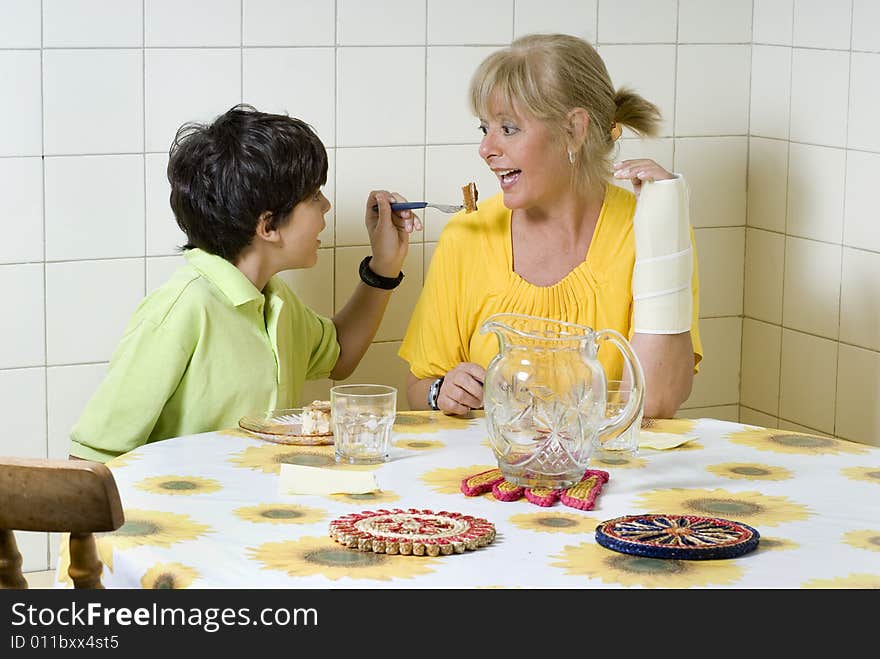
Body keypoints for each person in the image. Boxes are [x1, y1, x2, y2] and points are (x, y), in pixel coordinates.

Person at [69, 104, 419, 462]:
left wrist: (384, 266)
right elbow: (90, 459)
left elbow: (339, 355)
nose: (327, 205)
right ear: (267, 226)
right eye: (314, 196)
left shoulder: (274, 300)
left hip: (256, 510)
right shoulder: (184, 308)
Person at [400, 34, 702, 418]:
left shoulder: (645, 231)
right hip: (487, 473)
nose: (486, 149)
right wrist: (441, 392)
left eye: (508, 129)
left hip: (612, 473)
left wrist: (665, 224)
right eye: (484, 129)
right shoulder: (467, 234)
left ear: (573, 129)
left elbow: (654, 404)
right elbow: (418, 387)